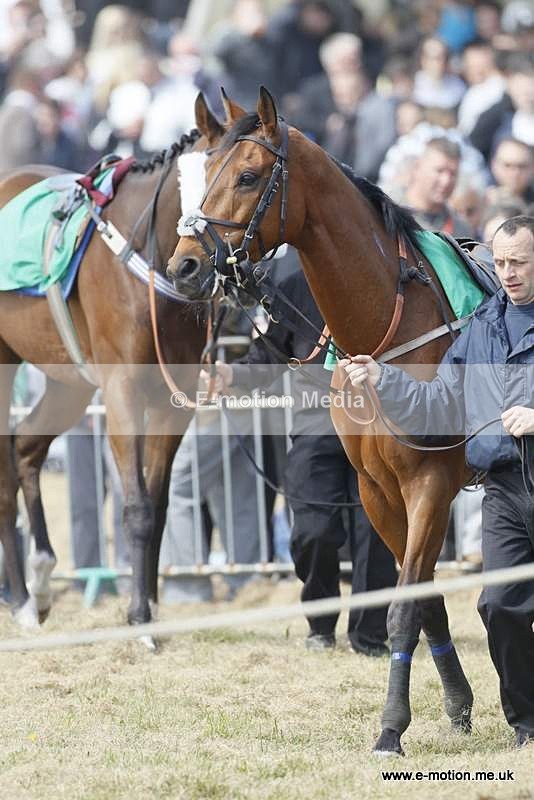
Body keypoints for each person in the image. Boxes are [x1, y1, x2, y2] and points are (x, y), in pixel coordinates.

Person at [342, 215, 534, 746]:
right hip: (504, 488)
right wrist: (387, 380)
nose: (508, 273)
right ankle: (528, 724)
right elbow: (438, 402)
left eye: (519, 262)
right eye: (500, 263)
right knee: (499, 607)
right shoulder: (483, 327)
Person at [208, 268, 398, 656]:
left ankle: (369, 635)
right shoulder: (293, 287)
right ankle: (321, 624)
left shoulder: (381, 279)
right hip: (315, 426)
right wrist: (230, 374)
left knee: (374, 538)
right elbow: (270, 357)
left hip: (375, 427)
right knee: (313, 532)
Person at [404, 137, 474, 236]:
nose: (446, 181)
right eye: (439, 171)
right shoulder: (385, 208)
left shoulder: (460, 231)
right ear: (417, 167)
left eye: (453, 174)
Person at [488, 137, 534, 206]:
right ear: (494, 165)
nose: (515, 173)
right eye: (508, 165)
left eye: (521, 166)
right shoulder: (479, 203)